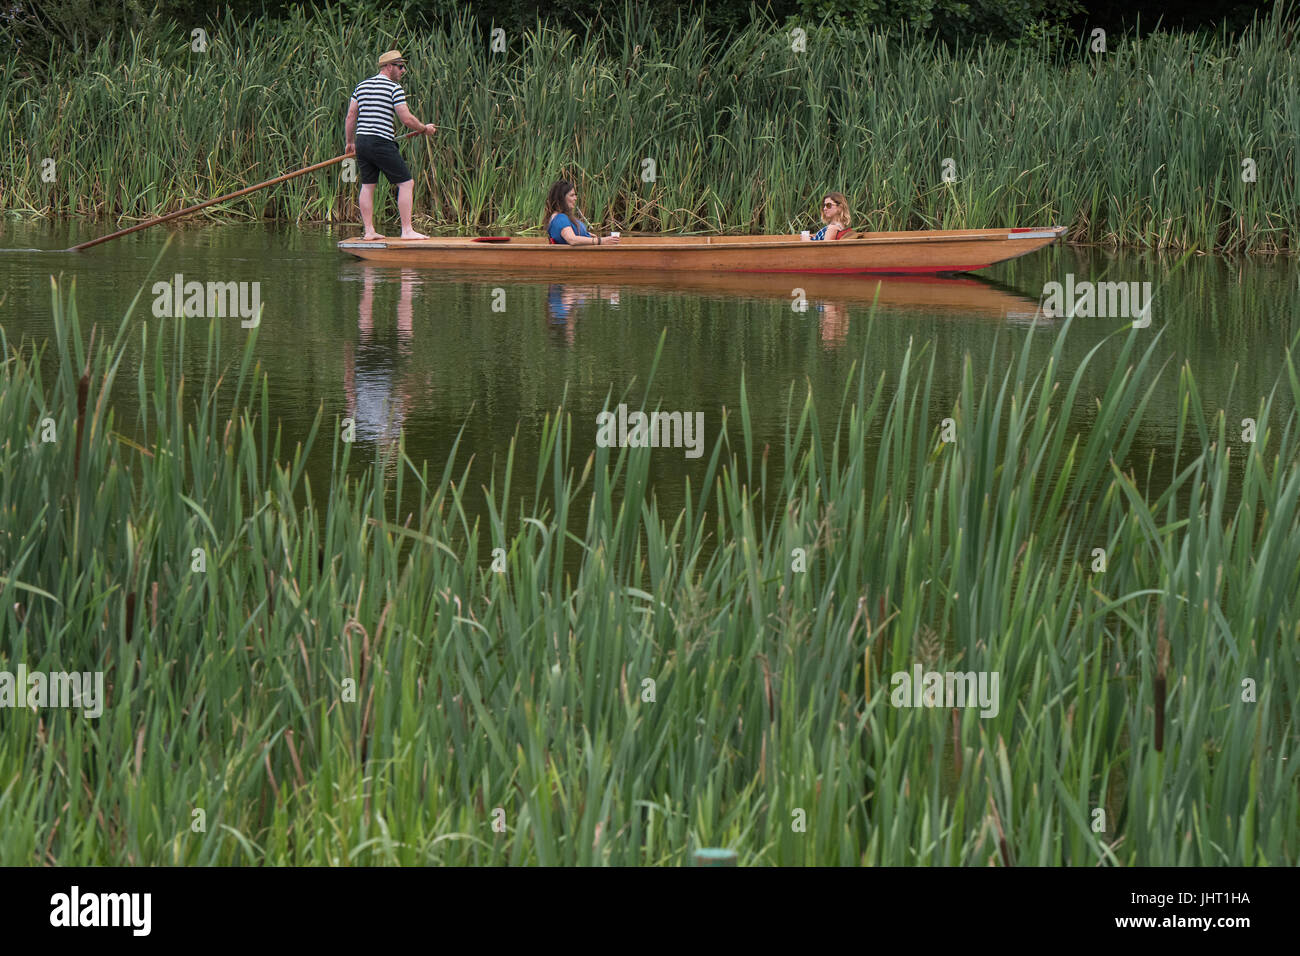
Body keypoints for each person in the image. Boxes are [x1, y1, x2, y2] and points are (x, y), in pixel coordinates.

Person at [345, 50, 438, 240]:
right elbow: (406, 118)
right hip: (381, 141)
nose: (403, 70)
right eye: (400, 66)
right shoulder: (394, 88)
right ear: (389, 67)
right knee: (406, 183)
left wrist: (350, 142)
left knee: (368, 185)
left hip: (362, 141)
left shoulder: (361, 86)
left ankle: (369, 231)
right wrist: (424, 129)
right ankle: (407, 231)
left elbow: (351, 115)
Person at [543, 181, 620, 246]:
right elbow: (572, 239)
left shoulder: (559, 217)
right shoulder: (560, 218)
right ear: (562, 198)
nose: (575, 198)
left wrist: (587, 235)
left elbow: (568, 234)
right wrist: (600, 241)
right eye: (572, 195)